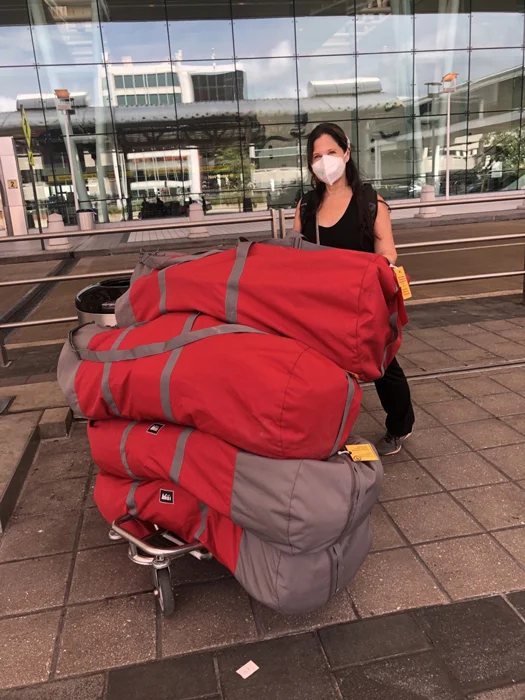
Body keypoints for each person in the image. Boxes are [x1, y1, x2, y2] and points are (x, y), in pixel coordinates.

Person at [293, 122, 414, 456]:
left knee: (383, 366)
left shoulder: (370, 202)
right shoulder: (306, 207)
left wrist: (363, 274)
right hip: (323, 306)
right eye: (317, 156)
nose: (324, 161)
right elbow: (295, 256)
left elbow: (387, 252)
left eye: (331, 152)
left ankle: (400, 427)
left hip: (364, 303)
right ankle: (329, 434)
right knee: (325, 372)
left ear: (346, 153)